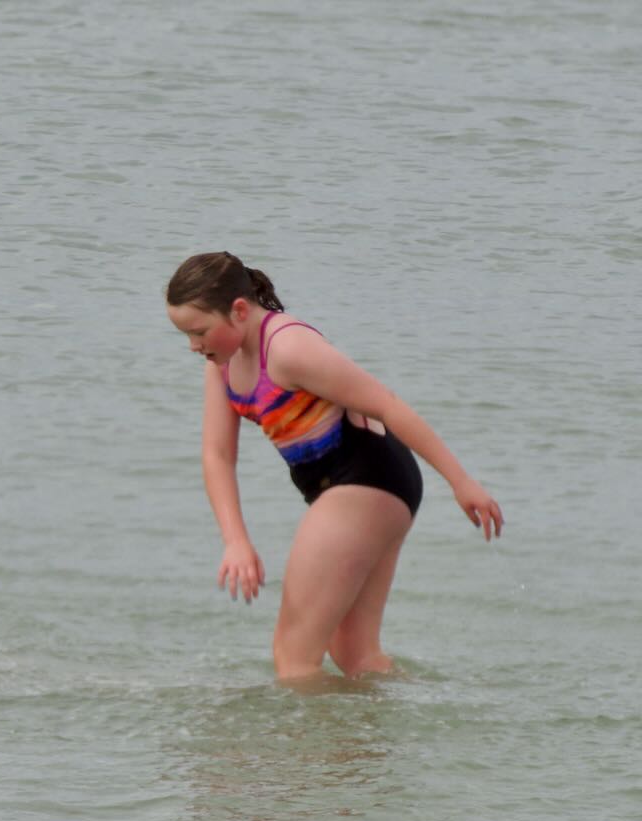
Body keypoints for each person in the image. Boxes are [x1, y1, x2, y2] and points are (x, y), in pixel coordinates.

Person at [166, 252, 502, 681]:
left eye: (198, 332)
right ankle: (385, 741)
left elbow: (386, 404)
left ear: (239, 310)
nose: (194, 346)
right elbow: (217, 455)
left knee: (293, 658)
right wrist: (236, 541)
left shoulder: (288, 348)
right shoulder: (222, 362)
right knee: (355, 655)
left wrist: (461, 481)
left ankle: (312, 750)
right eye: (186, 336)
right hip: (362, 487)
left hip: (366, 479)